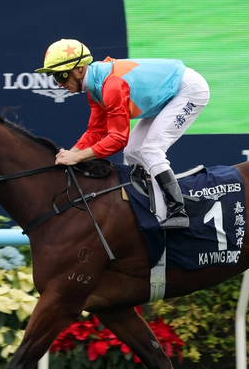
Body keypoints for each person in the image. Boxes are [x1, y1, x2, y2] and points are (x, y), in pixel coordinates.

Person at [36, 38, 210, 229]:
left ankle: (178, 212)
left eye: (60, 76)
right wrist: (72, 152)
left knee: (151, 149)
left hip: (188, 90)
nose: (59, 84)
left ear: (78, 70)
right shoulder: (95, 86)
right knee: (133, 151)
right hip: (168, 94)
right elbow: (96, 131)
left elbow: (118, 139)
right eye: (54, 77)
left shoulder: (111, 85)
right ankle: (157, 212)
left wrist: (77, 158)